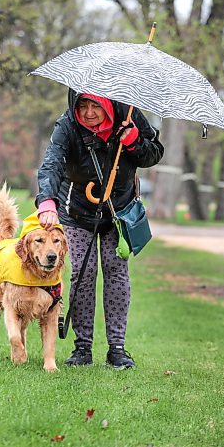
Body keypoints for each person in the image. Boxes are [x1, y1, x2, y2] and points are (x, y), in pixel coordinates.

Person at [35, 89, 164, 369]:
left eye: (96, 105)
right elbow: (52, 164)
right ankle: (82, 349)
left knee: (116, 272)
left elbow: (154, 153)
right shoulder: (67, 124)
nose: (89, 112)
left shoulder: (128, 115)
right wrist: (47, 201)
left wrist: (133, 141)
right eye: (83, 105)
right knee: (84, 273)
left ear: (108, 103)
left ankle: (117, 349)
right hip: (78, 210)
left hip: (119, 211)